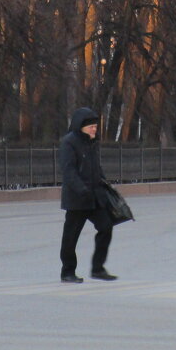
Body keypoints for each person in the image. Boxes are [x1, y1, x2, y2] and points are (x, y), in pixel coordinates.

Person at [58, 106, 117, 283]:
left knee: (106, 227)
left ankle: (98, 268)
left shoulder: (92, 143)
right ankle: (67, 272)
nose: (94, 129)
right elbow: (68, 171)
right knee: (71, 236)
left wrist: (105, 186)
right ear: (80, 126)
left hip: (95, 197)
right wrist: (81, 189)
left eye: (95, 126)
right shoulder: (69, 142)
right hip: (77, 198)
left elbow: (96, 169)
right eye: (91, 126)